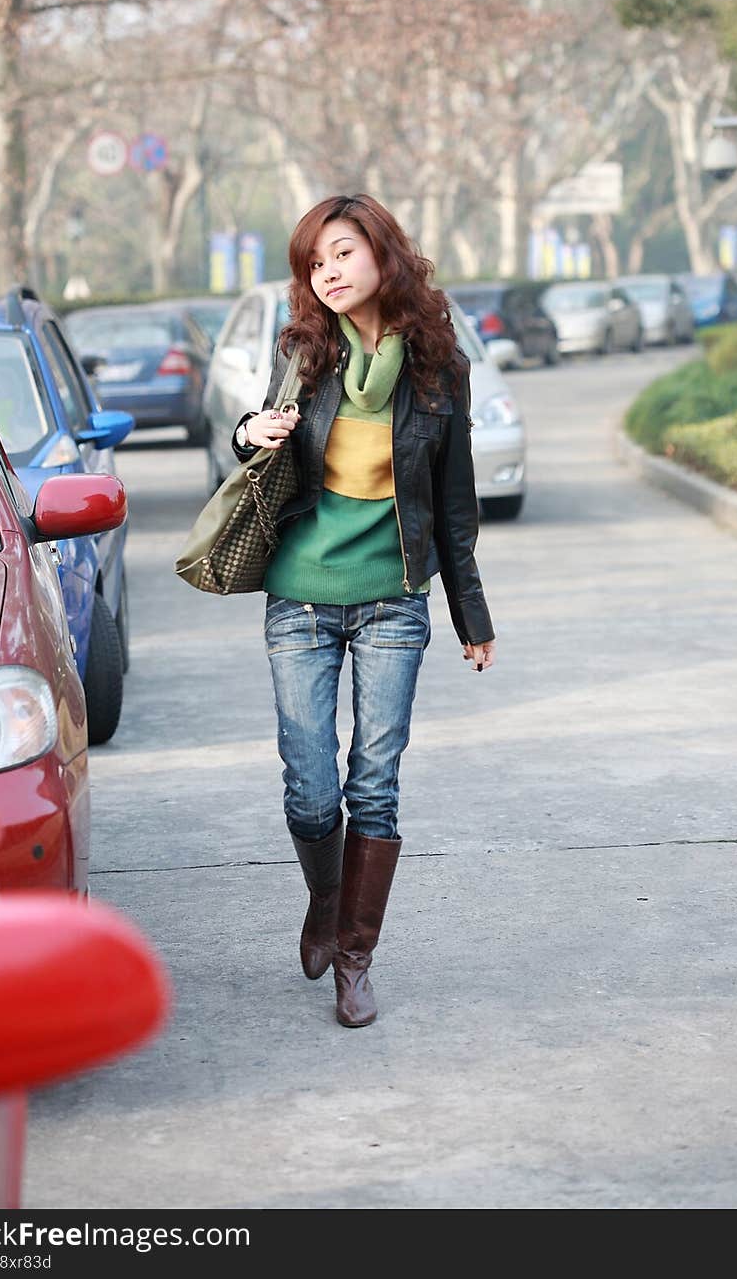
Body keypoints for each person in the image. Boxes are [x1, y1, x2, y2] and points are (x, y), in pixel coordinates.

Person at [231, 194, 495, 1028]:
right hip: (300, 599)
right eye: (316, 262)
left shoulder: (437, 365)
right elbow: (252, 435)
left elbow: (454, 500)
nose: (330, 272)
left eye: (342, 253)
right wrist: (253, 432)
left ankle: (354, 955)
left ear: (383, 253)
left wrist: (471, 614)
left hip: (393, 603)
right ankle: (327, 897)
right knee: (311, 794)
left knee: (373, 789)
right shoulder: (303, 352)